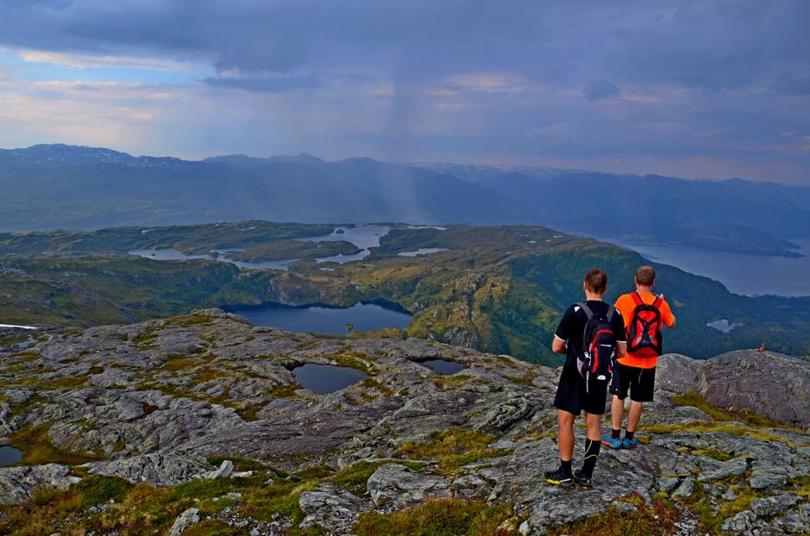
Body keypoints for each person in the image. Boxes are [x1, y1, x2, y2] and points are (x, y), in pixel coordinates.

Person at [544, 268, 627, 487]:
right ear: (606, 288)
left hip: (573, 374)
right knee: (594, 424)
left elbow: (556, 346)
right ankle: (586, 474)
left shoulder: (575, 311)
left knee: (565, 421)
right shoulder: (615, 314)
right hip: (598, 377)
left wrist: (573, 353)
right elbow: (622, 352)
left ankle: (565, 472)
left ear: (584, 285)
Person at [603, 265, 676, 450]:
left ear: (636, 280)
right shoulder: (661, 304)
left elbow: (613, 322)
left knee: (618, 396)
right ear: (653, 283)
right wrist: (661, 303)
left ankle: (614, 436)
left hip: (625, 357)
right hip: (648, 361)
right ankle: (629, 437)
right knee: (637, 398)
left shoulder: (625, 300)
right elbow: (671, 322)